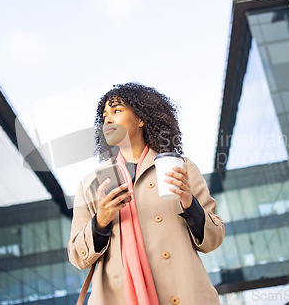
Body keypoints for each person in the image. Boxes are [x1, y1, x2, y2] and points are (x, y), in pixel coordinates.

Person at [68, 82, 225, 304]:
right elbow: (76, 256)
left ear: (141, 118)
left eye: (117, 110)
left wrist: (189, 203)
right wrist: (100, 222)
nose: (108, 119)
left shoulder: (181, 168)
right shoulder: (91, 184)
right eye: (104, 115)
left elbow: (213, 239)